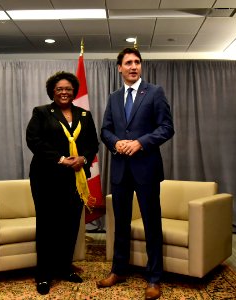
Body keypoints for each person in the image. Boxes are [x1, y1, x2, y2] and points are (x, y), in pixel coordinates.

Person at [97, 48, 175, 300]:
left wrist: (140, 142)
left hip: (146, 169)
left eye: (137, 62)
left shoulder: (155, 93)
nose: (133, 66)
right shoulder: (114, 97)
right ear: (119, 67)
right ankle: (119, 270)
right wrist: (115, 143)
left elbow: (166, 128)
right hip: (120, 169)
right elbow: (105, 130)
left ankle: (154, 278)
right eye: (128, 62)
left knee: (152, 223)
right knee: (120, 222)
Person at [26, 71, 99, 295]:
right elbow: (34, 141)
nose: (64, 92)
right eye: (59, 89)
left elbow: (93, 144)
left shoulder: (84, 114)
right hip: (46, 177)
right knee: (48, 225)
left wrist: (83, 158)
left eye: (68, 89)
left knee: (69, 224)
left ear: (74, 91)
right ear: (52, 91)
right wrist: (60, 159)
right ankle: (44, 275)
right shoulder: (41, 113)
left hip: (75, 179)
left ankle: (64, 268)